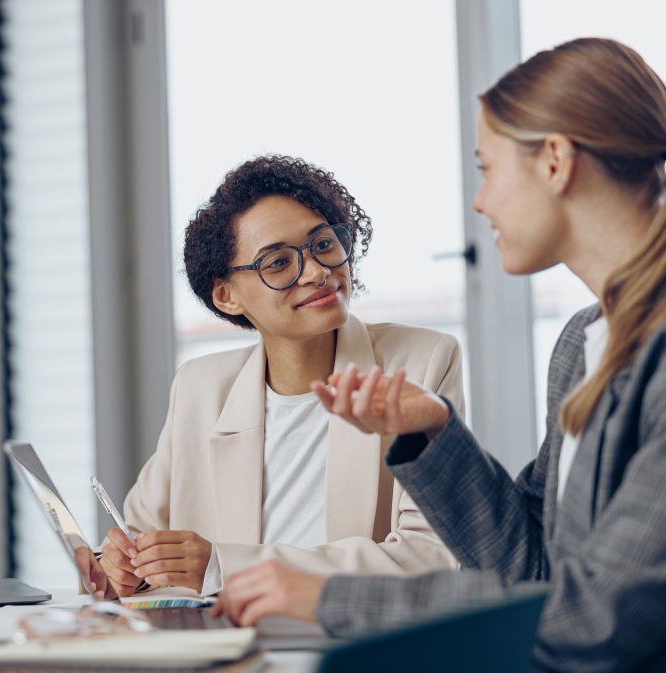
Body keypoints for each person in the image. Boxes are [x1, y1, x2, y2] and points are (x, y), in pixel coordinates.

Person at [213, 38, 666, 673]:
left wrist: (330, 599)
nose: (480, 202)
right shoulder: (584, 341)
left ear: (556, 162)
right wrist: (433, 435)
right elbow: (534, 568)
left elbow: (593, 619)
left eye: (487, 169)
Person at [98, 155, 465, 598]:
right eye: (277, 263)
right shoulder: (200, 387)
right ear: (227, 296)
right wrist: (120, 565)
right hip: (224, 634)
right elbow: (138, 534)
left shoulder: (423, 360)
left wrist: (224, 567)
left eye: (324, 244)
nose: (318, 272)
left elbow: (431, 555)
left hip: (349, 632)